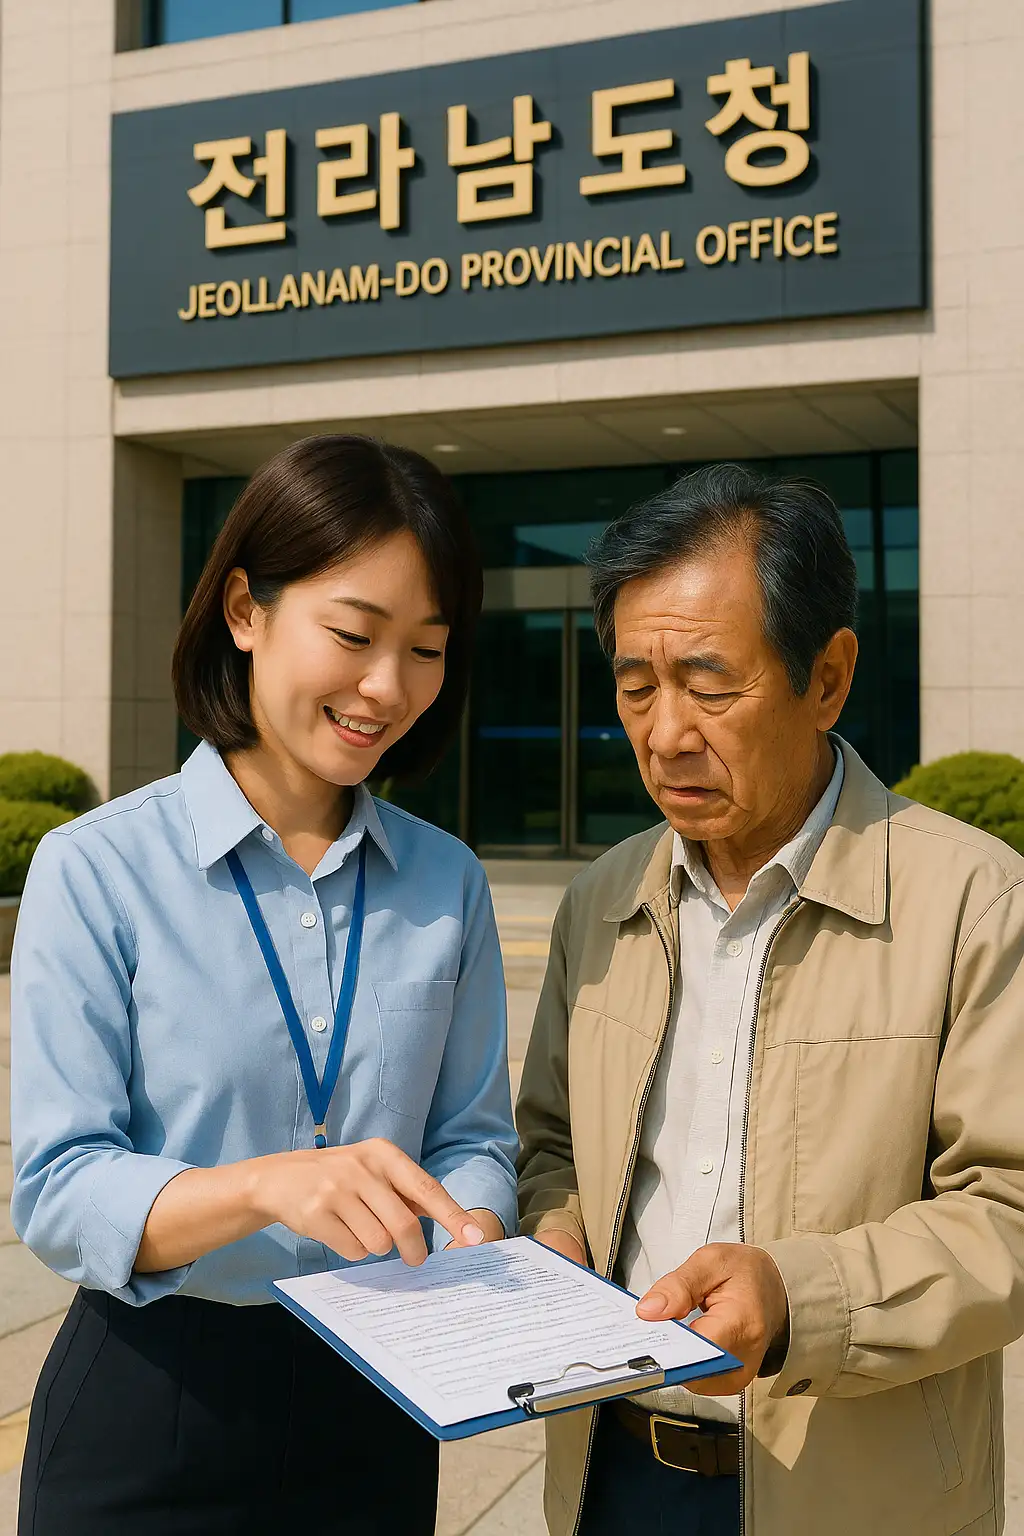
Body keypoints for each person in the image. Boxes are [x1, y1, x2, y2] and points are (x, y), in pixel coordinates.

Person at [11, 435, 518, 1536]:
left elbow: (474, 1133)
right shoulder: (97, 869)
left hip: (382, 1403)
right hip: (156, 1403)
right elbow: (57, 1186)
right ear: (244, 609)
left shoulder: (447, 882)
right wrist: (261, 1187)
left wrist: (472, 1219)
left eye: (427, 650)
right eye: (353, 635)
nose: (388, 688)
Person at [516, 463, 1024, 1536]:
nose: (662, 734)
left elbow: (1008, 1213)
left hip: (855, 1488)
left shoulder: (973, 901)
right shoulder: (600, 899)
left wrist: (798, 1298)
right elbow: (551, 1146)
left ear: (827, 676)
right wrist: (552, 1237)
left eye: (709, 683)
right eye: (635, 685)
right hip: (614, 1475)